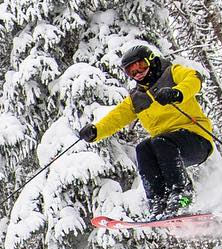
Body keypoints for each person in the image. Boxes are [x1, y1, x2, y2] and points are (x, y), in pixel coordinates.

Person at [78, 43, 214, 219]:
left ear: (151, 61)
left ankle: (183, 195)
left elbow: (193, 78)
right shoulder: (137, 98)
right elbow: (116, 117)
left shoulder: (171, 73)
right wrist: (96, 131)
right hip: (166, 150)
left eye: (140, 66)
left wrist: (177, 93)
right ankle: (159, 201)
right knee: (143, 148)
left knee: (160, 142)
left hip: (196, 139)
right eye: (131, 71)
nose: (138, 73)